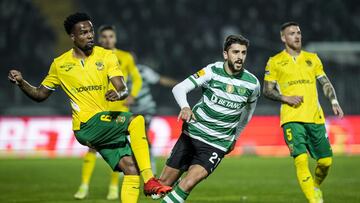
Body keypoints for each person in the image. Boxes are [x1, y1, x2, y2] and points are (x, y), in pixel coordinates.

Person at [7, 12, 171, 203]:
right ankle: (150, 180)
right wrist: (21, 82)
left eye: (91, 31)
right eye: (83, 32)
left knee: (131, 169)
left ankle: (144, 180)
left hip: (103, 122)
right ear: (72, 36)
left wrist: (118, 93)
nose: (89, 35)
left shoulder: (107, 56)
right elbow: (39, 95)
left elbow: (122, 87)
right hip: (85, 124)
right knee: (136, 121)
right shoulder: (60, 64)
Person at [158, 35, 260, 203]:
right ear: (225, 54)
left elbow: (247, 114)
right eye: (235, 52)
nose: (240, 57)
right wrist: (185, 107)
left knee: (187, 184)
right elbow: (179, 88)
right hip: (192, 135)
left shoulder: (252, 84)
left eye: (243, 53)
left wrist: (235, 137)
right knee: (161, 187)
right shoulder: (212, 71)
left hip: (217, 144)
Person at [263, 22, 344, 203]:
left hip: (315, 117)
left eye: (299, 32)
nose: (297, 36)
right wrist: (286, 98)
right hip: (291, 118)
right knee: (300, 160)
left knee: (325, 162)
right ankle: (314, 200)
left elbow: (325, 82)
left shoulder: (312, 58)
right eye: (292, 33)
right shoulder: (274, 61)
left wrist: (334, 101)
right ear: (283, 38)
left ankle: (314, 187)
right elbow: (267, 90)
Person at [74, 24, 143, 200]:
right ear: (99, 38)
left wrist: (131, 95)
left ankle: (113, 187)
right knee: (91, 149)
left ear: (115, 38)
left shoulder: (124, 57)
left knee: (119, 148)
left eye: (110, 36)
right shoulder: (92, 57)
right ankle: (84, 185)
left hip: (119, 109)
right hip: (99, 109)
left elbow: (137, 79)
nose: (107, 39)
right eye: (104, 36)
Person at [130, 64, 178, 174]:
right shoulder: (118, 72)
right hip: (128, 110)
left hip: (145, 109)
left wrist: (179, 84)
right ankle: (129, 167)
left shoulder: (141, 70)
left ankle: (150, 165)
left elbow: (159, 80)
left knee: (144, 137)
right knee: (130, 140)